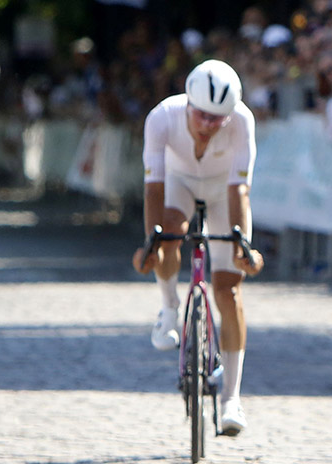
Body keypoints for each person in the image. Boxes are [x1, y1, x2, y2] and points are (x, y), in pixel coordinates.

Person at [133, 59, 265, 435]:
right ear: (188, 104)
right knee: (169, 232)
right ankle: (169, 307)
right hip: (178, 184)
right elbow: (153, 187)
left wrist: (241, 243)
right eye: (202, 115)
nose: (209, 125)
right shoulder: (162, 117)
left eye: (217, 119)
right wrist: (152, 242)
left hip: (225, 192)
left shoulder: (241, 121)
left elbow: (240, 188)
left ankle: (231, 398)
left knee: (229, 290)